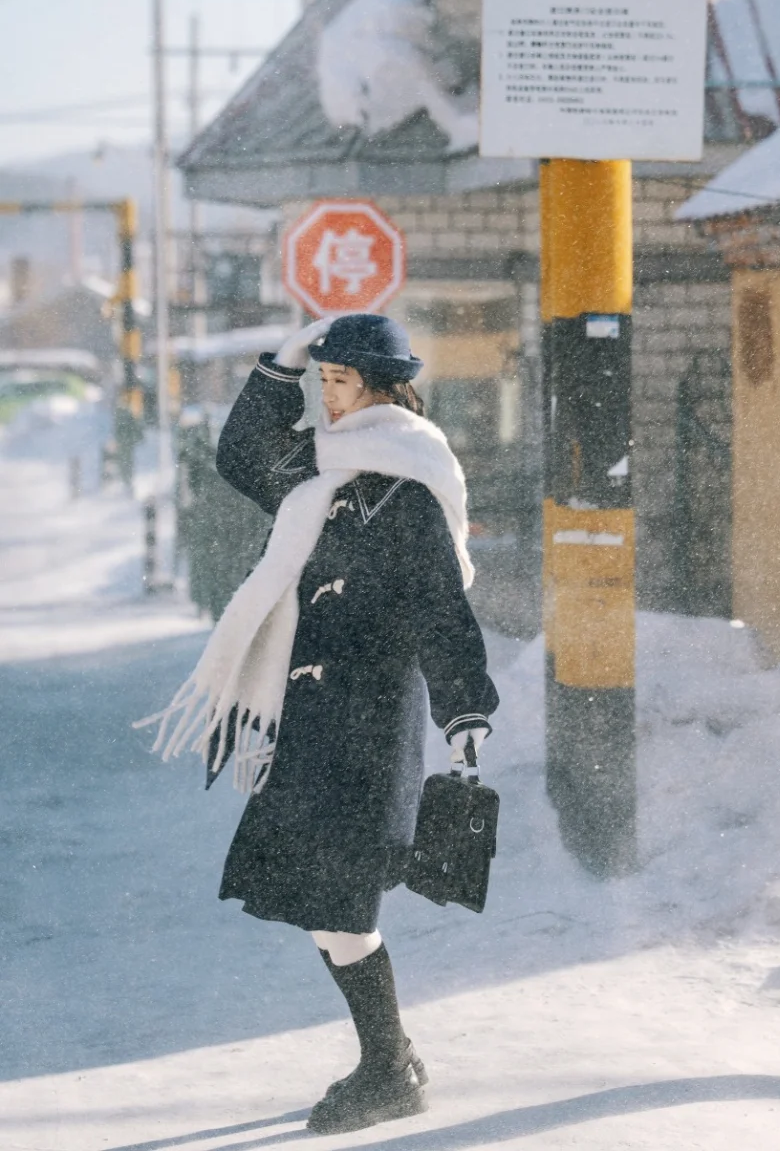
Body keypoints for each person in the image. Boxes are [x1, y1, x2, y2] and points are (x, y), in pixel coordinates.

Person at [138, 313, 498, 1135]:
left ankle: (387, 1068)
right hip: (310, 716)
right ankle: (392, 1056)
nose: (327, 398)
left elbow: (442, 611)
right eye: (323, 382)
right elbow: (239, 455)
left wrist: (465, 708)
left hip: (370, 720)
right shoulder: (317, 468)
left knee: (340, 901)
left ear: (382, 389)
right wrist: (282, 363)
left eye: (340, 383)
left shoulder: (407, 488)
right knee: (315, 897)